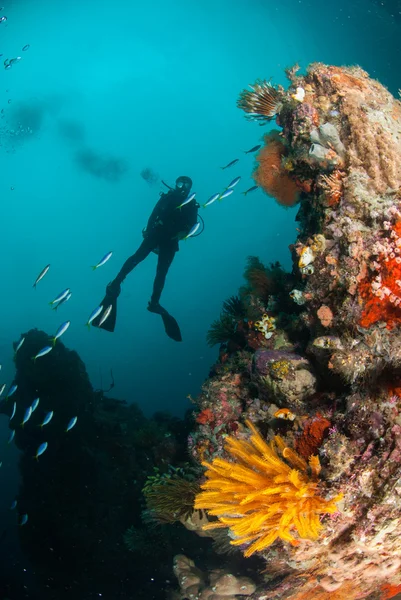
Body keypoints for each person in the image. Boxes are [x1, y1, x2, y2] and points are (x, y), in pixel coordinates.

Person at [93, 176, 199, 341]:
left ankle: (154, 302)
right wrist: (148, 230)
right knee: (137, 258)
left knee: (161, 272)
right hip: (156, 234)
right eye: (180, 183)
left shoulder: (192, 204)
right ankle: (116, 283)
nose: (183, 187)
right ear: (175, 184)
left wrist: (182, 234)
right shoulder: (168, 197)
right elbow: (154, 214)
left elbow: (192, 226)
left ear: (190, 187)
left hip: (170, 241)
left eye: (187, 185)